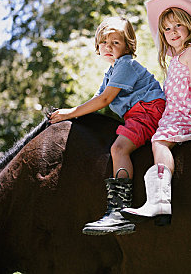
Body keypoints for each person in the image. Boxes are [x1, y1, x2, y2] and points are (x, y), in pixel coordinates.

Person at [49, 16, 166, 235]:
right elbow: (97, 98)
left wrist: (70, 113)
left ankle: (120, 210)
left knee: (118, 149)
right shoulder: (112, 71)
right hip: (138, 112)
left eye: (116, 43)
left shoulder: (126, 64)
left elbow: (104, 101)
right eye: (104, 42)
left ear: (127, 45)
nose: (108, 47)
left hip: (148, 110)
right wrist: (71, 113)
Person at [121, 0, 191, 226]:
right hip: (170, 115)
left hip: (184, 113)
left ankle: (161, 199)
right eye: (167, 29)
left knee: (159, 141)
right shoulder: (174, 58)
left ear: (189, 28)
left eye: (178, 26)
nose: (172, 32)